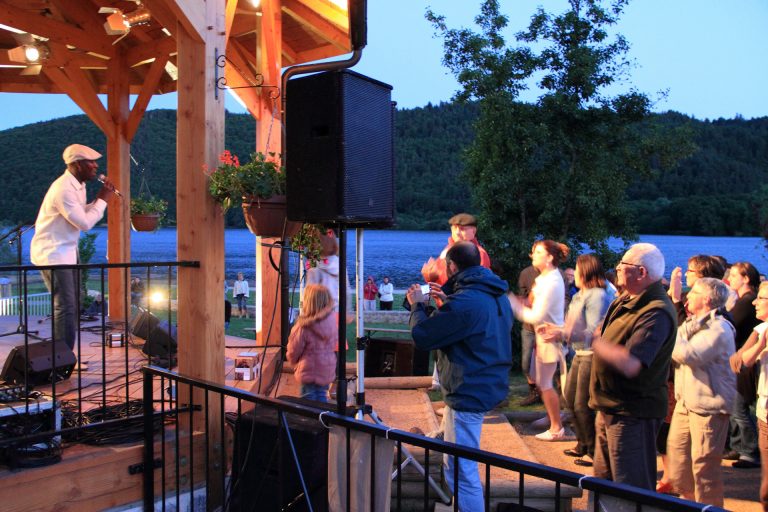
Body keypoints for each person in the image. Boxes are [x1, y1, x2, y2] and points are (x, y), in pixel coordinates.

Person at [407, 241, 512, 512]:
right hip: (482, 382)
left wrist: (417, 307)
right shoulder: (493, 293)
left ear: (452, 267)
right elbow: (470, 330)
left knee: (463, 468)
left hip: (470, 389)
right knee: (454, 461)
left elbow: (424, 336)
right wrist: (445, 304)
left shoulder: (467, 301)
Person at [589, 242, 677, 490]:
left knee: (630, 489)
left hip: (632, 413)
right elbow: (604, 334)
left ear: (641, 273)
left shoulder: (655, 312)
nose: (617, 268)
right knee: (603, 484)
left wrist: (592, 341)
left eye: (623, 264)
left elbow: (631, 364)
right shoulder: (626, 300)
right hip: (611, 405)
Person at [30, 144, 116, 350]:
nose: (96, 166)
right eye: (91, 162)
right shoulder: (64, 188)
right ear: (77, 164)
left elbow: (79, 212)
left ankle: (65, 355)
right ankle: (63, 358)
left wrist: (97, 199)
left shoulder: (78, 184)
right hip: (53, 253)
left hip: (67, 251)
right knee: (65, 307)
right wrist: (103, 199)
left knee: (73, 305)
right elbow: (84, 223)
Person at [538, 254, 615, 466]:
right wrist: (556, 329)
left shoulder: (597, 296)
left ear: (586, 272)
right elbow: (572, 328)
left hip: (591, 355)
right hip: (579, 354)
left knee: (582, 404)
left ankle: (593, 452)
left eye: (578, 270)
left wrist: (560, 334)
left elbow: (592, 332)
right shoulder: (581, 295)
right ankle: (582, 443)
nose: (574, 273)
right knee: (569, 399)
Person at [666, 277, 736, 506]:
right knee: (678, 461)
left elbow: (690, 356)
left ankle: (709, 507)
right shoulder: (692, 323)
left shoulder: (720, 328)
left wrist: (669, 335)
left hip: (709, 407)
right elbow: (681, 343)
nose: (688, 295)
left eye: (693, 292)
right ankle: (689, 503)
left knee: (704, 467)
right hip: (686, 402)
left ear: (706, 299)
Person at [508, 240, 568, 440]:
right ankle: (553, 417)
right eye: (533, 251)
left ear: (550, 257)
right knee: (542, 381)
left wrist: (513, 305)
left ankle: (556, 427)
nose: (533, 255)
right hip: (542, 338)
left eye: (538, 252)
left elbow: (535, 316)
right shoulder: (544, 278)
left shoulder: (552, 281)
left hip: (549, 339)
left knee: (545, 383)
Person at [734, 281, 768, 510]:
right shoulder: (761, 330)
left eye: (761, 298)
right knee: (766, 486)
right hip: (765, 414)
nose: (755, 301)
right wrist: (760, 346)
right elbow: (738, 363)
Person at [726, 261, 762, 468]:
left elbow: (732, 323)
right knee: (736, 407)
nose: (729, 279)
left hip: (744, 362)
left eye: (733, 275)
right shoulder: (744, 300)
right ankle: (739, 447)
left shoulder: (747, 301)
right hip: (740, 359)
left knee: (740, 408)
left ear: (746, 278)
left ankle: (749, 451)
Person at [286, 284, 338, 402]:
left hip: (309, 370)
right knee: (321, 396)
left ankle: (312, 419)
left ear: (308, 302)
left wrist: (293, 363)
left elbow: (293, 349)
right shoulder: (331, 322)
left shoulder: (303, 326)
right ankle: (322, 418)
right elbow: (334, 342)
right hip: (326, 368)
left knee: (308, 401)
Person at [517, 263, 542, 405]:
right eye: (535, 252)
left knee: (550, 364)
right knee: (526, 362)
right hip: (529, 327)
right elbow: (523, 296)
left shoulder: (555, 277)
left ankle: (552, 392)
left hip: (547, 328)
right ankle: (533, 392)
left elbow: (565, 298)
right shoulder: (526, 273)